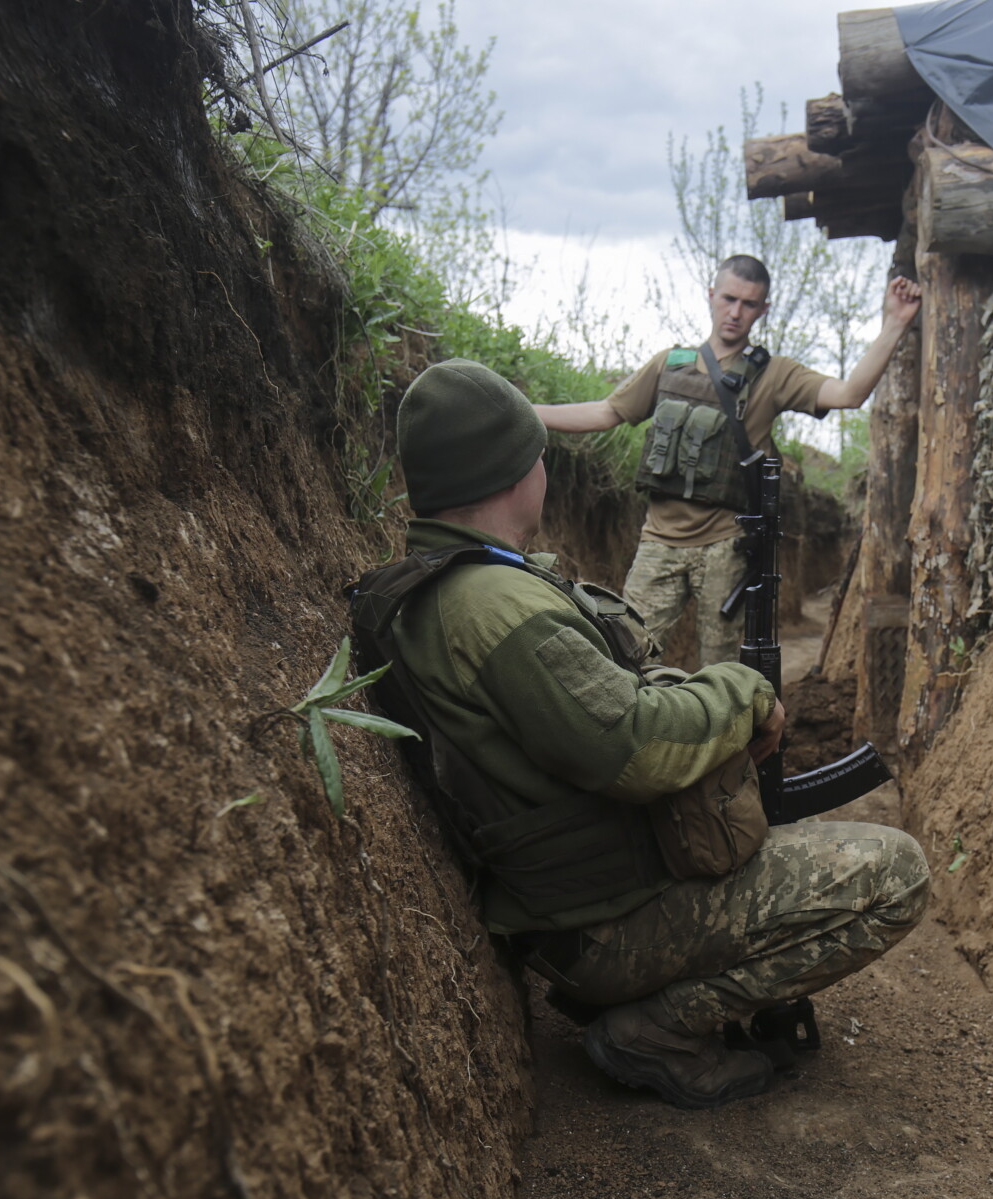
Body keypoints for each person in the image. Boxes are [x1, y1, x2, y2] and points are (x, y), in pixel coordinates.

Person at [350, 358, 929, 1110]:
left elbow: (602, 702)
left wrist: (695, 697)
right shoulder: (495, 607)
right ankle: (656, 1028)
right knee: (897, 873)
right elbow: (634, 746)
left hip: (581, 907)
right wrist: (743, 690)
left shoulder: (458, 586)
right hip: (609, 925)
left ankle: (638, 1001)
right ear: (519, 471)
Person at [536, 255, 923, 666]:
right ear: (711, 296)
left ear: (763, 310)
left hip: (726, 546)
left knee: (721, 673)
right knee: (624, 657)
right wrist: (523, 409)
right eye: (729, 299)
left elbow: (849, 394)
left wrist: (894, 324)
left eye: (749, 304)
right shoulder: (671, 364)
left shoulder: (775, 375)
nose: (736, 312)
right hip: (658, 543)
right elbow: (606, 412)